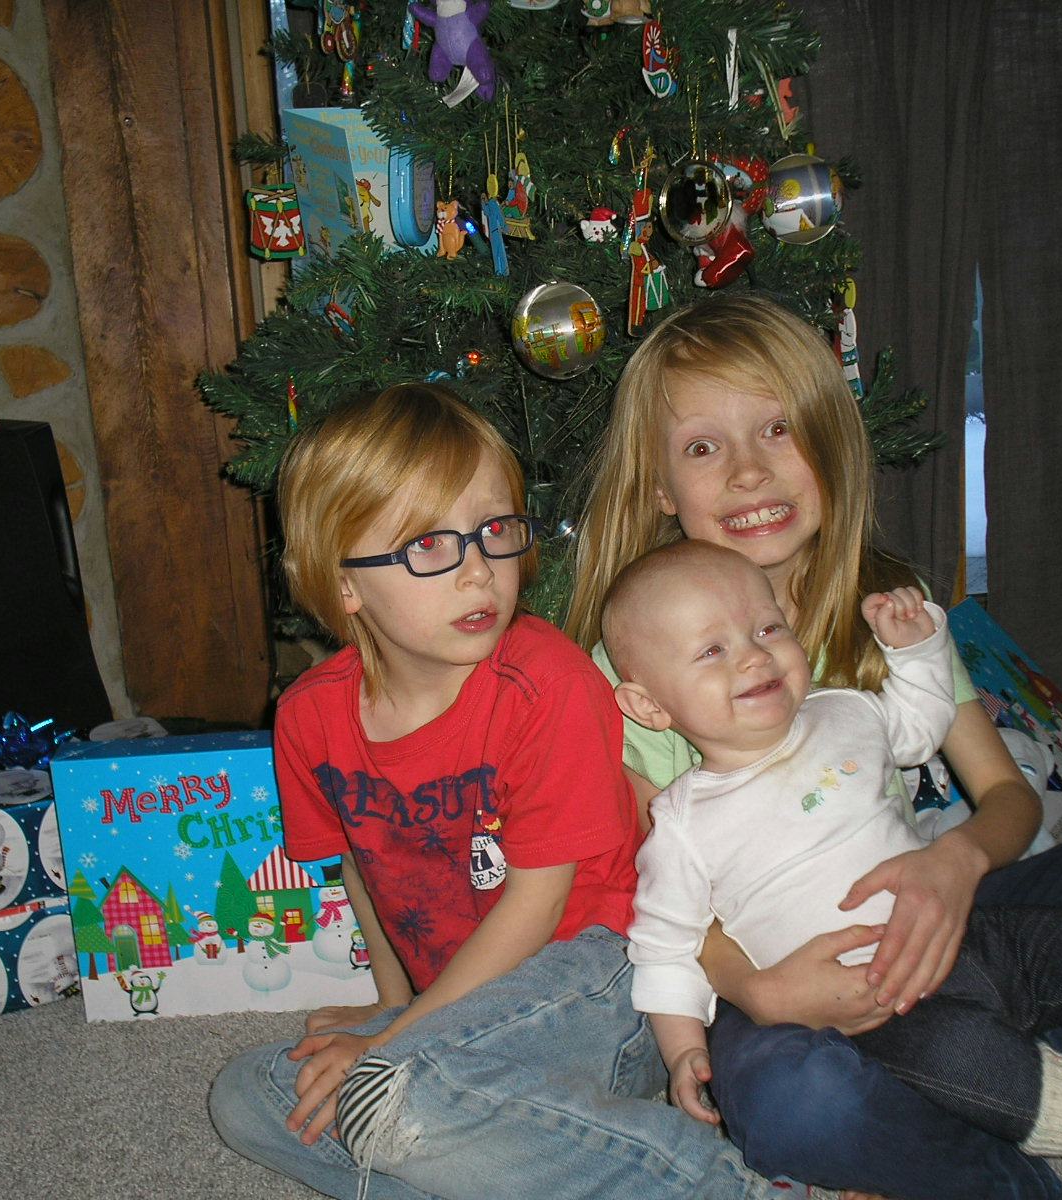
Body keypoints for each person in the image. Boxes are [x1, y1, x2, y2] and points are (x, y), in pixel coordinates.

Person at [565, 290, 1062, 1200]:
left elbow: (1006, 797)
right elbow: (652, 897)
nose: (748, 472)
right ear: (661, 487)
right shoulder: (633, 672)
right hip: (787, 981)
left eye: (777, 429)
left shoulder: (893, 612)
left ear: (830, 440)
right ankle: (1001, 1149)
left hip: (944, 924)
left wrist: (954, 866)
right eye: (704, 447)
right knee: (793, 1101)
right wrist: (761, 993)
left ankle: (995, 1083)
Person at [209, 383, 776, 1200]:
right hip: (463, 1002)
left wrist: (391, 1043)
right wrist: (390, 1005)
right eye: (429, 545)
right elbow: (359, 865)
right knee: (247, 1099)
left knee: (394, 1094)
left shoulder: (549, 685)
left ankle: (728, 1190)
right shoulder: (308, 716)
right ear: (344, 585)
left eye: (494, 530)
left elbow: (538, 906)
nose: (478, 570)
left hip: (605, 977)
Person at [605, 540, 1062, 1164]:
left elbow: (921, 727)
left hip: (970, 928)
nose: (754, 656)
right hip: (880, 1003)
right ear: (649, 706)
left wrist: (916, 648)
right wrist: (682, 1050)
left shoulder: (842, 710)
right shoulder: (683, 825)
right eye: (712, 651)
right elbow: (666, 946)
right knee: (958, 1054)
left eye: (768, 628)